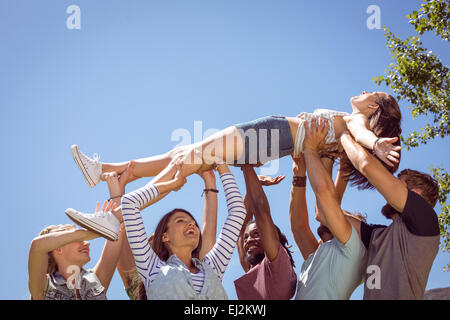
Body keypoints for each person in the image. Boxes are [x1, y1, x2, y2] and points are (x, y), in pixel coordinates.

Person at [71, 91, 402, 191]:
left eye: (371, 94)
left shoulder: (354, 123)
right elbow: (318, 176)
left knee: (184, 161)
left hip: (272, 132)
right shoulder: (334, 143)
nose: (363, 93)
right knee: (181, 153)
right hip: (275, 142)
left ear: (373, 107)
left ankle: (123, 209)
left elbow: (361, 133)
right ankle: (103, 171)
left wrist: (375, 145)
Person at [65, 160, 247, 300]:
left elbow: (238, 213)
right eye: (181, 220)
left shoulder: (212, 267)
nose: (192, 224)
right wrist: (172, 183)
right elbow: (129, 204)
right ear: (165, 237)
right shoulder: (151, 268)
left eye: (193, 222)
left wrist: (221, 166)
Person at [339, 130, 441, 300]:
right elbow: (325, 213)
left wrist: (343, 135)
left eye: (397, 182)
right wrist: (335, 162)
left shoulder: (426, 220)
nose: (389, 183)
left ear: (415, 195)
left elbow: (366, 165)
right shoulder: (377, 236)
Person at [114, 162, 220, 299]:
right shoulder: (138, 278)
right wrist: (118, 187)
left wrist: (209, 179)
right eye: (149, 241)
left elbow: (208, 228)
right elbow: (119, 228)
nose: (153, 241)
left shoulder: (194, 267)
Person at [289, 118, 367, 300]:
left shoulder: (355, 250)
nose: (337, 218)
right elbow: (299, 227)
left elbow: (326, 206)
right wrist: (299, 173)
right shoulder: (322, 254)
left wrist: (323, 155)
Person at [28, 173, 125, 300]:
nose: (87, 243)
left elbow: (117, 228)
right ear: (58, 248)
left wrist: (115, 186)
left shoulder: (93, 281)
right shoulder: (43, 288)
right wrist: (96, 230)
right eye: (78, 239)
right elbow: (37, 246)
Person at [234, 165, 297, 300]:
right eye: (246, 238)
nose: (248, 240)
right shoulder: (253, 269)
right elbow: (240, 229)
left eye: (256, 234)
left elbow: (261, 212)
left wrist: (246, 165)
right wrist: (255, 182)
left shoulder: (277, 265)